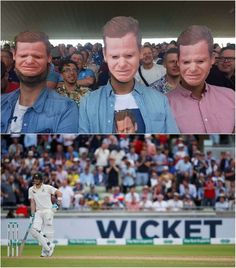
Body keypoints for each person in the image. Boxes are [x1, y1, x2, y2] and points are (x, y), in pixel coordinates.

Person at [79, 16, 179, 133]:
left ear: (140, 53)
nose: (122, 64)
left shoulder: (160, 101)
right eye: (115, 56)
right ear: (105, 55)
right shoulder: (88, 103)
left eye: (129, 55)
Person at [1, 31, 79, 133]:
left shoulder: (66, 108)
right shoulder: (2, 102)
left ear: (49, 58)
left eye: (37, 56)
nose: (29, 61)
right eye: (23, 55)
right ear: (14, 56)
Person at [167, 25, 235, 133]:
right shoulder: (164, 105)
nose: (193, 69)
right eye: (186, 62)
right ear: (178, 62)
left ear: (212, 60)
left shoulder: (231, 97)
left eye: (200, 61)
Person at [28, 172, 62, 257]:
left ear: (41, 179)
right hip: (38, 212)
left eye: (37, 179)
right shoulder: (31, 189)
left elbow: (59, 193)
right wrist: (32, 214)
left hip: (48, 211)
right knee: (34, 231)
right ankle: (49, 246)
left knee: (48, 231)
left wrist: (57, 204)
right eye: (35, 179)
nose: (36, 180)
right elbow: (32, 202)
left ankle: (45, 251)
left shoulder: (47, 187)